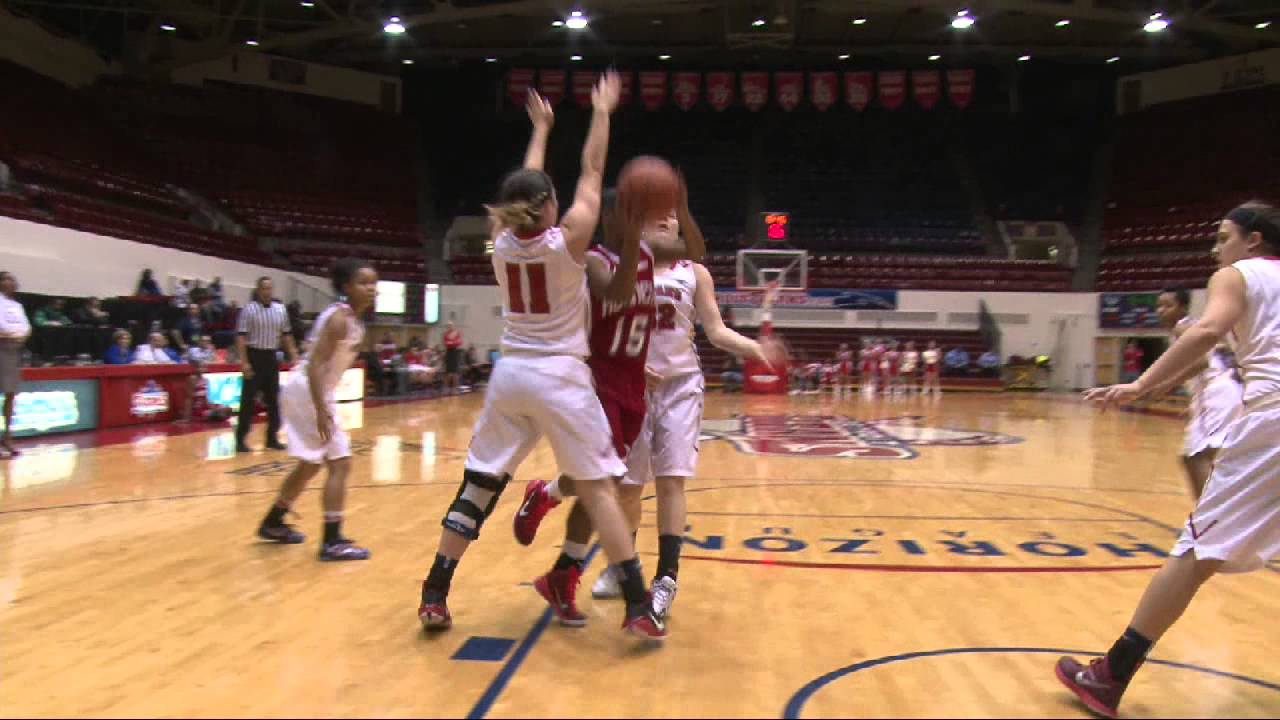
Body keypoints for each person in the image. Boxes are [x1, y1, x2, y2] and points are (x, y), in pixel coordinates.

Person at [416, 74, 669, 640]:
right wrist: (601, 112)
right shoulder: (569, 239)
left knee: (478, 488)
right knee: (601, 487)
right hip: (561, 376)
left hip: (511, 375)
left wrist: (540, 130)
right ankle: (635, 604)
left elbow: (523, 194)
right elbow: (594, 171)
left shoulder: (502, 244)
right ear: (550, 205)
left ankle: (435, 592)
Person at [1057, 201, 1280, 718]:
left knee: (1194, 553)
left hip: (1272, 422)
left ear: (1253, 241)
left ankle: (1110, 675)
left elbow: (1204, 333)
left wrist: (1140, 385)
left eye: (1223, 236)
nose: (1215, 247)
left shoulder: (1237, 274)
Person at [514, 176, 706, 628]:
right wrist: (641, 242)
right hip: (594, 382)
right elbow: (619, 294)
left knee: (603, 487)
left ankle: (555, 536)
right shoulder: (594, 261)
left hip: (630, 387)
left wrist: (678, 200)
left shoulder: (647, 257)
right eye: (639, 215)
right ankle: (632, 596)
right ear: (619, 221)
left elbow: (694, 249)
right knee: (606, 486)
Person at [589, 246, 784, 618]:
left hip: (680, 386)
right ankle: (621, 565)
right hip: (632, 385)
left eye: (672, 214)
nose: (666, 219)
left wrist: (755, 347)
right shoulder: (622, 268)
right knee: (628, 488)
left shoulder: (695, 273)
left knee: (671, 481)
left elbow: (716, 331)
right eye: (656, 212)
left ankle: (666, 579)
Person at [257, 258, 378, 561]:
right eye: (364, 282)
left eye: (375, 283)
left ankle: (273, 522)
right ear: (347, 287)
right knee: (340, 463)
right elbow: (315, 366)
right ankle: (332, 540)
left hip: (308, 391)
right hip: (310, 390)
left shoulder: (353, 320)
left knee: (311, 464)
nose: (372, 288)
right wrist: (322, 408)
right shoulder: (339, 319)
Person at [1155, 286, 1244, 500]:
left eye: (1168, 305)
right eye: (1159, 306)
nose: (1161, 310)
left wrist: (1167, 384)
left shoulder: (1182, 329)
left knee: (1196, 457)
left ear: (1183, 307)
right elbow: (1226, 357)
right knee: (1207, 457)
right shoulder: (1200, 327)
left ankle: (1210, 519)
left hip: (1217, 393)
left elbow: (1202, 362)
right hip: (1227, 392)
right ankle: (1212, 517)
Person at [235, 277, 298, 454]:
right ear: (258, 290)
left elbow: (286, 335)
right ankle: (240, 440)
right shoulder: (249, 309)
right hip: (254, 355)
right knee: (248, 401)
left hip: (271, 357)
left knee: (273, 400)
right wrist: (244, 362)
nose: (267, 291)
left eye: (270, 288)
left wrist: (294, 356)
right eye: (264, 288)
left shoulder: (280, 310)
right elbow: (241, 337)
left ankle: (272, 438)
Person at [0, 271, 31, 457]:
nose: (8, 281)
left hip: (13, 351)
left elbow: (25, 327)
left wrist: (19, 335)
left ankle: (8, 436)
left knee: (11, 394)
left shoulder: (17, 306)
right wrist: (12, 334)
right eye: (4, 278)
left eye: (11, 278)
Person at [443, 322, 464, 395]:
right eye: (448, 326)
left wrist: (451, 342)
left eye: (451, 325)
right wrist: (452, 342)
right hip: (448, 353)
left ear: (453, 326)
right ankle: (446, 388)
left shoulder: (457, 333)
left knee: (455, 373)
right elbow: (446, 343)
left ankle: (455, 389)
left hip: (455, 353)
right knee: (447, 373)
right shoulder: (445, 334)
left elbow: (459, 342)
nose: (449, 327)